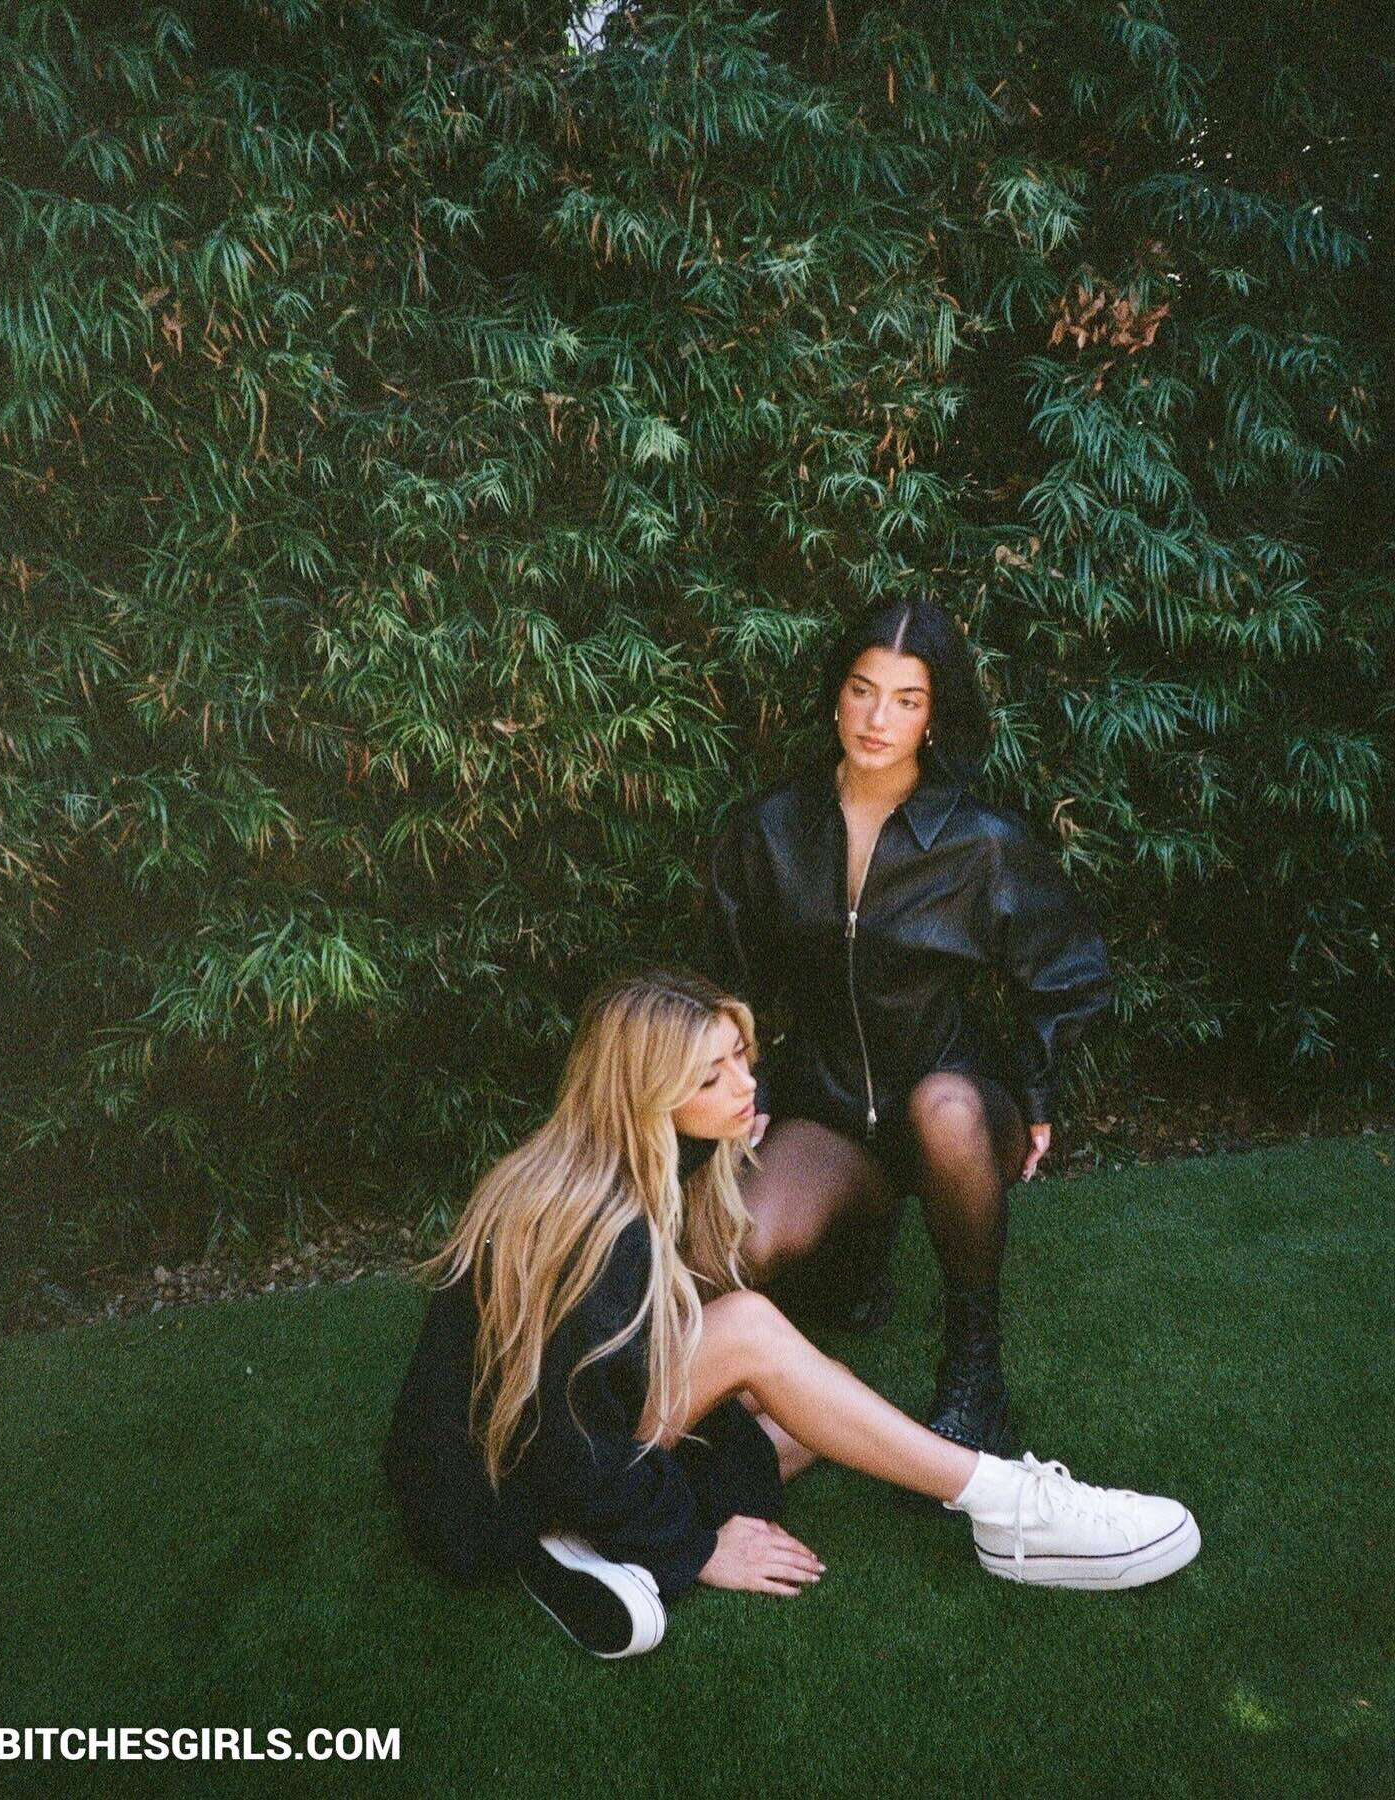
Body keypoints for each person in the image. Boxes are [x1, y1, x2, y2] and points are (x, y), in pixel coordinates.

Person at [383, 970, 1197, 1660]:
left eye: (740, 1057)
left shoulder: (633, 1167)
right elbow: (562, 1438)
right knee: (750, 1332)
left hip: (548, 1445)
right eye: (710, 1078)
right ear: (642, 1095)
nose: (744, 1086)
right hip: (486, 1492)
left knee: (818, 1412)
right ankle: (1012, 1509)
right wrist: (695, 1547)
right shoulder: (594, 1223)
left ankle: (581, 1549)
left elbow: (596, 1392)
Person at [697, 596, 1113, 1456]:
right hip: (826, 1109)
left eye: (906, 699)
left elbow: (1068, 971)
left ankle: (973, 1366)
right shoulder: (770, 829)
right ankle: (852, 1261)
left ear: (935, 715)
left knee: (946, 1111)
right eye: (862, 690)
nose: (877, 719)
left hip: (949, 1096)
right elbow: (720, 982)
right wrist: (752, 1088)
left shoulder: (981, 843)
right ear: (835, 695)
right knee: (744, 1244)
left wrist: (1036, 1089)